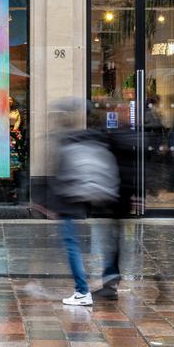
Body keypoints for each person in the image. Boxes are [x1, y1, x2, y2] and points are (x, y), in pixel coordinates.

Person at [52, 101, 121, 307]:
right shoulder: (96, 142)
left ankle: (82, 291)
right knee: (105, 241)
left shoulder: (68, 143)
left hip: (70, 201)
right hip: (99, 197)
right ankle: (108, 282)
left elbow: (65, 177)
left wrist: (54, 202)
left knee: (72, 245)